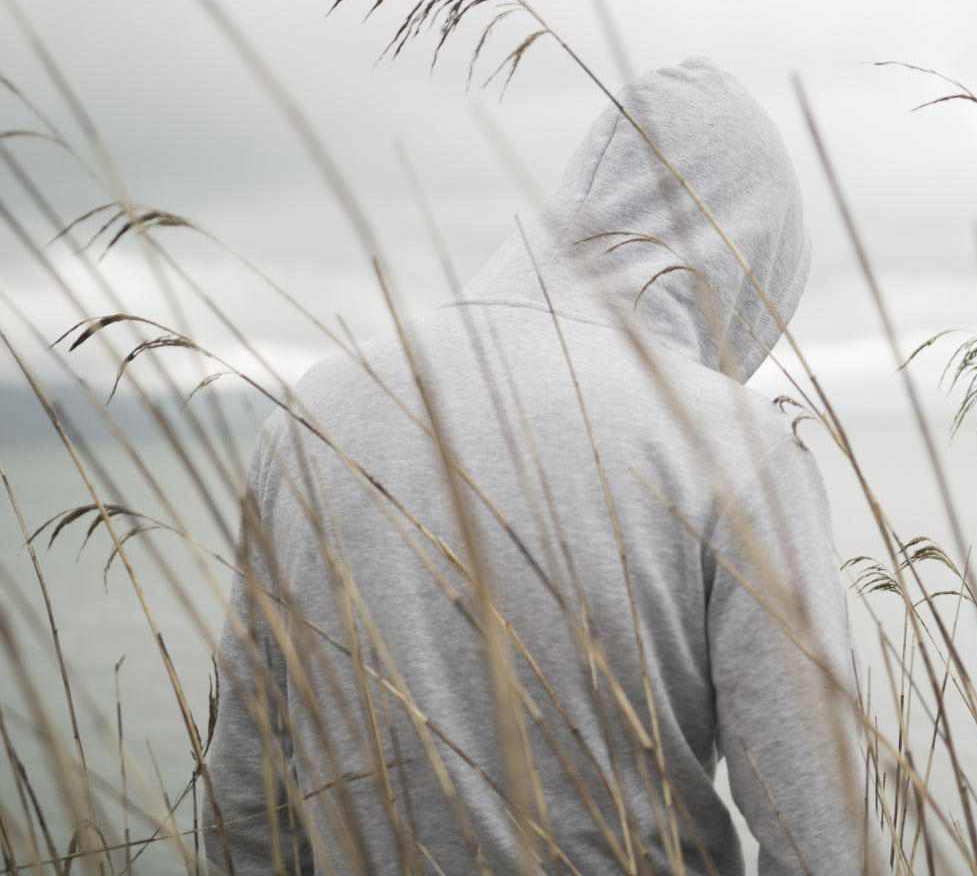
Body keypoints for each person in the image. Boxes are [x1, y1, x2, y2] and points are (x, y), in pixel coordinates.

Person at [206, 57, 874, 876]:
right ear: (747, 259)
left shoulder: (314, 414)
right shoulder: (734, 447)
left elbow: (247, 802)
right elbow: (826, 847)